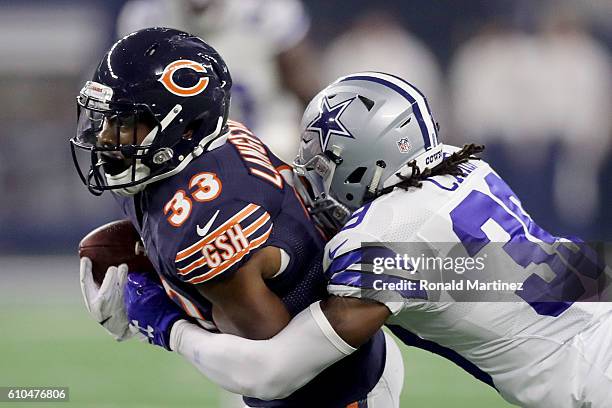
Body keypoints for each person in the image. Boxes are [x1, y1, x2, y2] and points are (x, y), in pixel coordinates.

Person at [127, 72, 611, 408]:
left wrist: (163, 322)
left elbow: (269, 372)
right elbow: (452, 268)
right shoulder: (466, 168)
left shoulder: (382, 241)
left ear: (365, 158)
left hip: (594, 374)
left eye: (323, 162)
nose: (314, 177)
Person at [71, 29, 403, 407]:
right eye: (104, 121)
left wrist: (160, 322)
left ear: (186, 127)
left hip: (332, 390)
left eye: (125, 123)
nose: (106, 139)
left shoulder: (207, 221)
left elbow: (269, 369)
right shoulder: (187, 156)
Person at [115, 0, 321, 163]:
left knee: (281, 139)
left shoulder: (267, 10)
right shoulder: (146, 16)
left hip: (265, 134)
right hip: (187, 147)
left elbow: (305, 87)